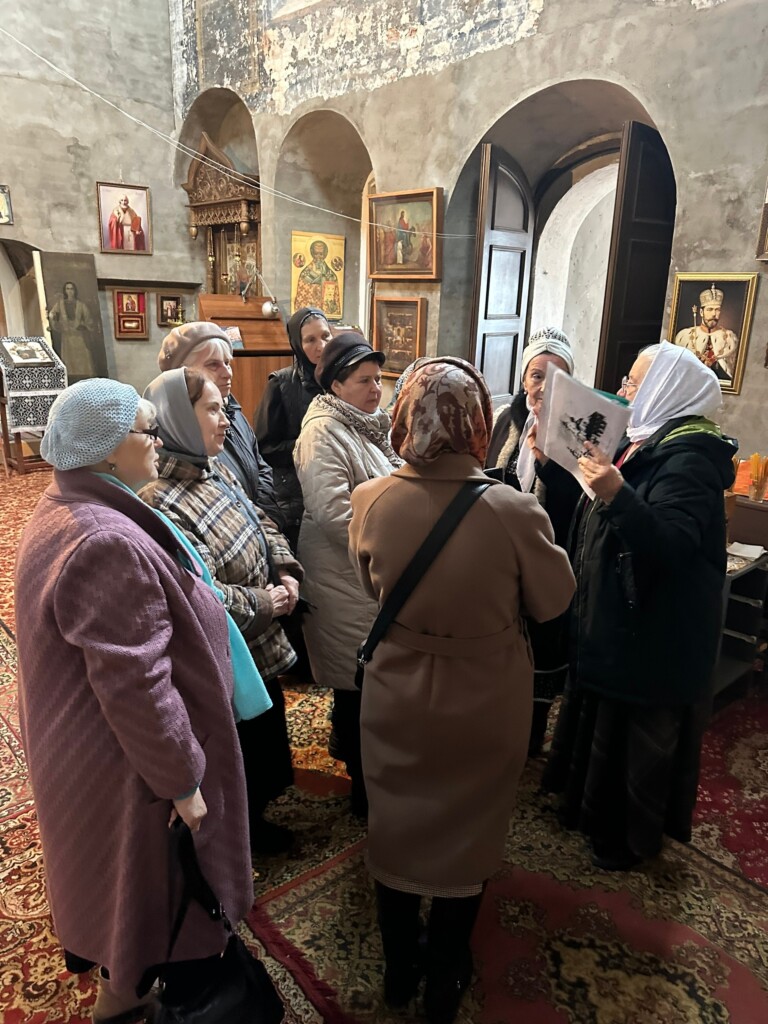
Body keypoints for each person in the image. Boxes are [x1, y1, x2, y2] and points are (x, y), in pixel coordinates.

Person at [16, 379, 253, 1023]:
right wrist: (183, 780)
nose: (158, 442)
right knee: (153, 898)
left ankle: (127, 992)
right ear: (105, 450)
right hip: (125, 764)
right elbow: (138, 686)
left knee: (130, 902)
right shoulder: (105, 541)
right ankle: (129, 1002)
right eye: (146, 431)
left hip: (92, 745)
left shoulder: (73, 504)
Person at [348, 357, 576, 1023]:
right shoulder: (514, 510)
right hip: (486, 696)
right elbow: (555, 601)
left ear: (403, 418)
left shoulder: (370, 498)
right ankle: (445, 976)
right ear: (478, 421)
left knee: (395, 824)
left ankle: (398, 968)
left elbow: (371, 588)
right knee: (468, 830)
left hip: (396, 688)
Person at [543, 340, 738, 871]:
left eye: (634, 381)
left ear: (666, 390)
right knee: (602, 717)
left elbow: (670, 545)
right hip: (621, 620)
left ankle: (622, 838)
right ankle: (587, 813)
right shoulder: (646, 439)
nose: (624, 389)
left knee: (630, 733)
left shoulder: (689, 459)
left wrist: (616, 493)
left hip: (653, 630)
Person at [142, 367, 302, 855]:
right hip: (228, 651)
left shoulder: (212, 466)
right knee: (239, 750)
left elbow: (259, 518)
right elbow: (199, 595)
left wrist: (284, 567)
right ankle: (237, 838)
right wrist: (265, 602)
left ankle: (257, 816)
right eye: (212, 410)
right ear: (178, 418)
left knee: (267, 741)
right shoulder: (160, 498)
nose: (226, 420)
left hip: (259, 638)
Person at [293, 333, 400, 816]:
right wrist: (398, 543)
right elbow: (336, 514)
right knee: (359, 689)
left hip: (365, 573)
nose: (376, 389)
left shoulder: (364, 425)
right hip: (344, 575)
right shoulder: (322, 433)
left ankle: (364, 768)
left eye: (378, 379)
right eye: (364, 381)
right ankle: (363, 793)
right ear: (336, 385)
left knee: (365, 686)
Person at [486, 326, 582, 756]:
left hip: (550, 550)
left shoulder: (581, 428)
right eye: (537, 375)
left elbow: (580, 501)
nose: (544, 386)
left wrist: (548, 466)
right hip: (500, 553)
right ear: (524, 378)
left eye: (557, 376)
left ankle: (529, 737)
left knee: (542, 641)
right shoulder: (504, 418)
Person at [158, 321, 285, 530]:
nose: (228, 373)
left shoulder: (233, 410)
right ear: (183, 374)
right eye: (213, 365)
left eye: (227, 363)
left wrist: (266, 520)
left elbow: (260, 465)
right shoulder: (177, 432)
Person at [254, 306, 331, 551]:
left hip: (333, 488)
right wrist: (311, 446)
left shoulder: (339, 380)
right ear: (297, 344)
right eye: (310, 340)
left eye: (325, 336)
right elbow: (266, 448)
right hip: (296, 496)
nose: (321, 346)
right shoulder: (281, 384)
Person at [673, 283, 738, 381]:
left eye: (717, 310)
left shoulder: (730, 338)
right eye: (710, 309)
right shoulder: (684, 336)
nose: (714, 314)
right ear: (701, 312)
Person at [48, 281, 96, 380]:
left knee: (82, 357)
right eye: (67, 289)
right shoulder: (60, 304)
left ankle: (83, 376)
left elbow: (89, 320)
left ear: (75, 291)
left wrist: (84, 326)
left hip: (78, 335)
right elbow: (52, 314)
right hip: (67, 335)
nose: (70, 291)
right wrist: (56, 322)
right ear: (65, 291)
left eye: (71, 289)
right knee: (68, 357)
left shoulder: (81, 305)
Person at [293, 239, 341, 317]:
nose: (318, 257)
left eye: (321, 254)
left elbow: (334, 304)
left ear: (325, 254)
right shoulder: (305, 274)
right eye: (316, 254)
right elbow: (300, 299)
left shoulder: (331, 276)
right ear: (312, 254)